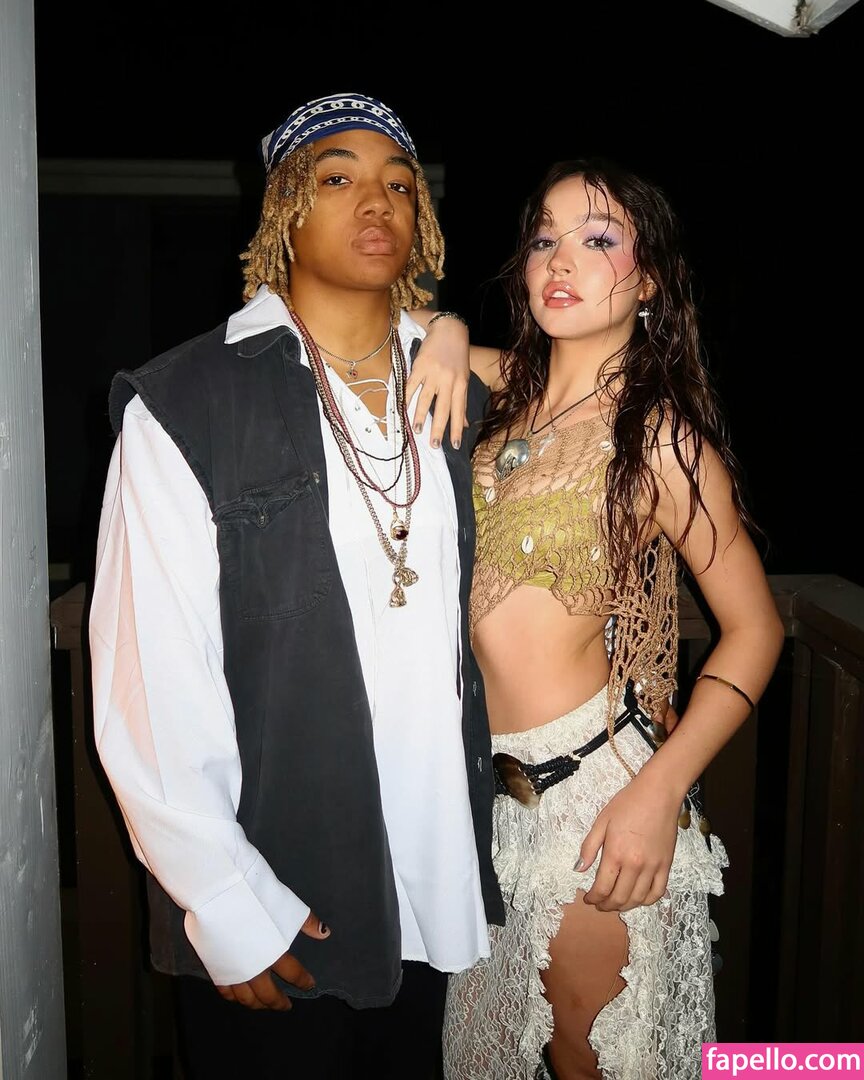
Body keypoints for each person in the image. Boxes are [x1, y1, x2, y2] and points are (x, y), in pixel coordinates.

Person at [88, 91, 504, 1080]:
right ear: (284, 208)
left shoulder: (465, 391)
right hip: (280, 894)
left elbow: (616, 386)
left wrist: (444, 326)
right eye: (338, 178)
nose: (376, 200)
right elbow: (149, 679)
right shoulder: (186, 402)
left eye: (399, 183)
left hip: (438, 886)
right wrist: (227, 902)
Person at [421, 158, 785, 1080]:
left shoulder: (659, 440)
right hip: (486, 805)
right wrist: (449, 326)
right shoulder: (503, 393)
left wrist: (658, 793)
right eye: (544, 238)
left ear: (648, 278)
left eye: (597, 239)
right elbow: (378, 327)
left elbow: (756, 629)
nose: (560, 260)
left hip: (592, 801)